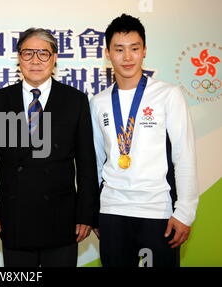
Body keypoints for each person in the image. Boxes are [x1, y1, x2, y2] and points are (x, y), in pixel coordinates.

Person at [0, 28, 99, 267]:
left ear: (54, 58)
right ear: (18, 58)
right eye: (28, 53)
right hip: (15, 217)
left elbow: (86, 162)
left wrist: (86, 214)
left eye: (43, 53)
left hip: (62, 218)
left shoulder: (75, 100)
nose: (35, 60)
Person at [90, 14, 199, 267]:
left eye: (134, 49)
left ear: (144, 50)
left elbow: (184, 155)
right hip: (112, 211)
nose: (127, 57)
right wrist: (95, 213)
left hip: (157, 211)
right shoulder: (99, 102)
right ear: (108, 53)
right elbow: (95, 162)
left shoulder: (168, 95)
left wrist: (184, 212)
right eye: (119, 49)